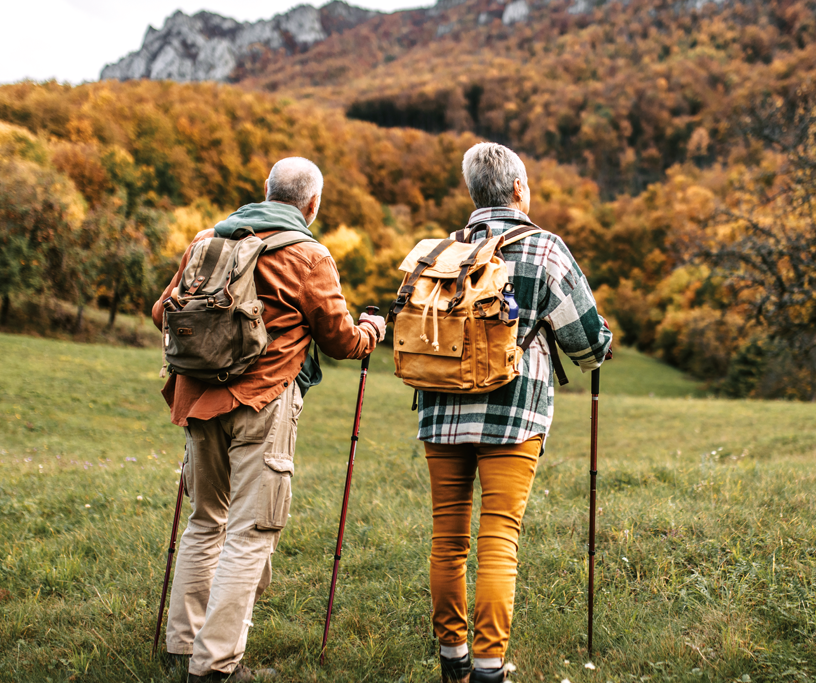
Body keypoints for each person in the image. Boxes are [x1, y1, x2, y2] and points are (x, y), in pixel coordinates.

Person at [152, 157, 386, 682]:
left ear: (264, 190)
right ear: (313, 204)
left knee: (205, 520)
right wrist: (371, 329)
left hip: (196, 398)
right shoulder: (309, 254)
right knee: (251, 532)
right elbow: (340, 339)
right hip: (263, 402)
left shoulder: (207, 240)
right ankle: (215, 667)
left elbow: (161, 312)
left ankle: (182, 645)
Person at [420, 143, 612, 683]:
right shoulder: (545, 248)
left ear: (472, 193)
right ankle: (488, 667)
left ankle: (452, 659)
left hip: (439, 410)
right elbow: (587, 342)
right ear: (519, 189)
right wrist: (597, 344)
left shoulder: (443, 251)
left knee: (447, 537)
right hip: (512, 414)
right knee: (499, 536)